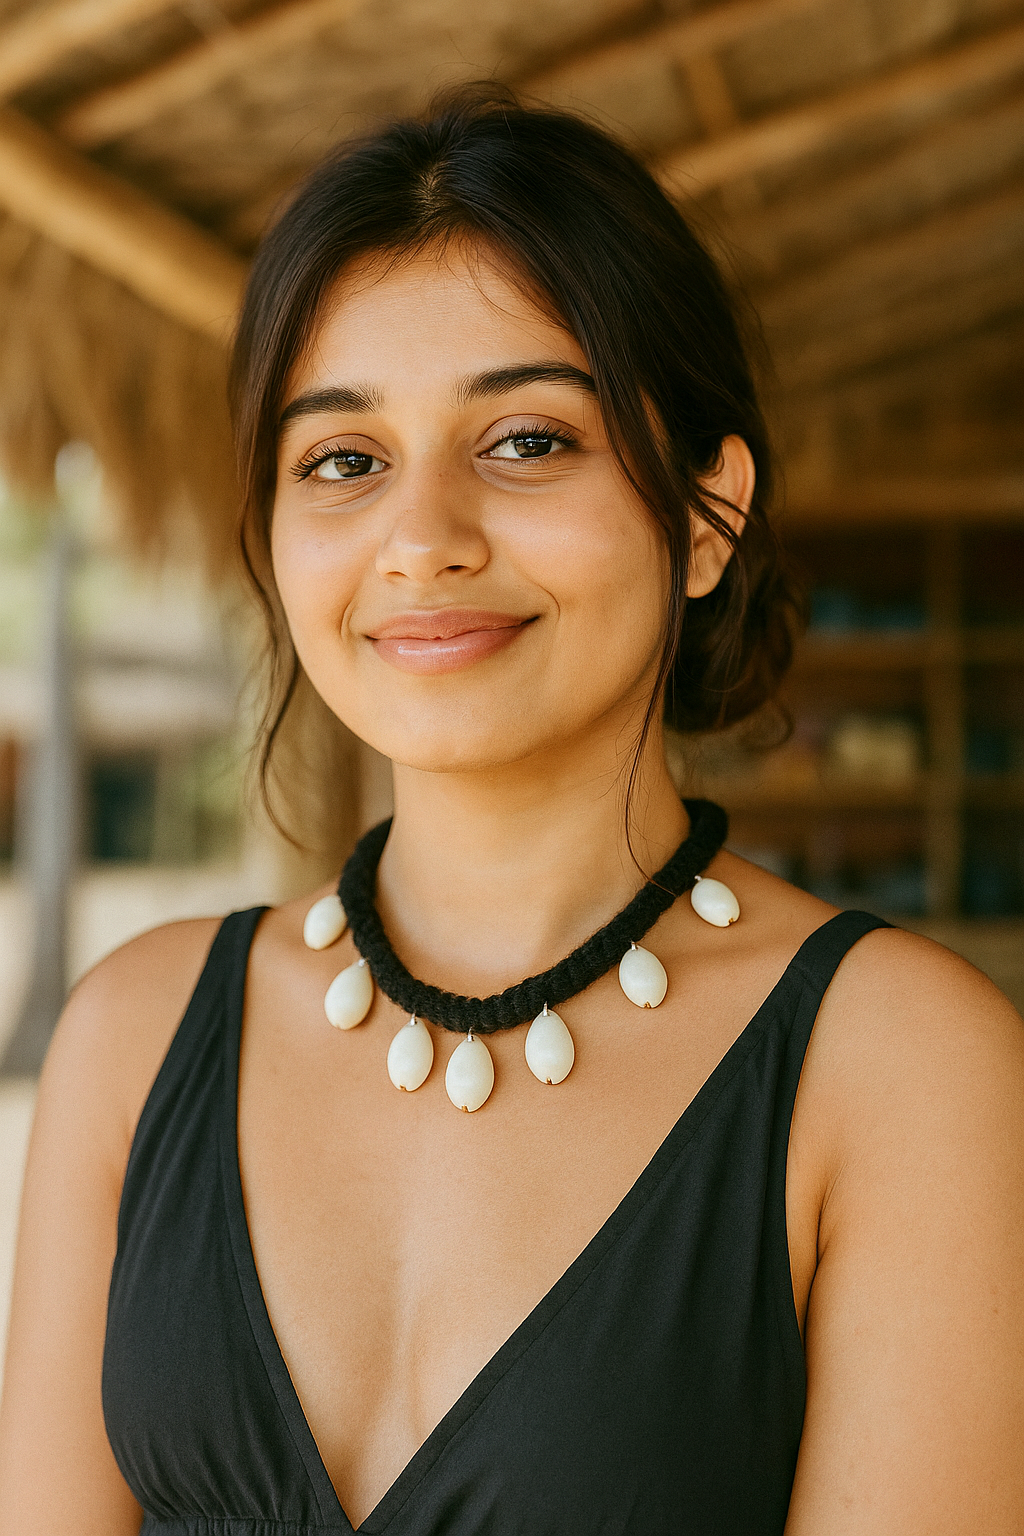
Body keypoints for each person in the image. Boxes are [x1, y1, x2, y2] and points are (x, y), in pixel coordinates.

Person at [1, 87, 1022, 1536]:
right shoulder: (133, 1040)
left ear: (707, 516)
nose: (421, 540)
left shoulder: (903, 1069)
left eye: (528, 440)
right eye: (344, 461)